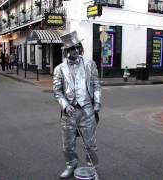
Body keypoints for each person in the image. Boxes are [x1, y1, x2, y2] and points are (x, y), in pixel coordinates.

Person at [53, 31, 101, 179]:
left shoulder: (90, 64)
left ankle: (93, 169)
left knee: (90, 144)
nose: (75, 50)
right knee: (68, 144)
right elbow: (57, 91)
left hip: (87, 110)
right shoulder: (59, 69)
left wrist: (97, 102)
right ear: (66, 50)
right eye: (72, 48)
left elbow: (96, 85)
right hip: (69, 113)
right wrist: (65, 106)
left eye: (77, 47)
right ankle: (71, 165)